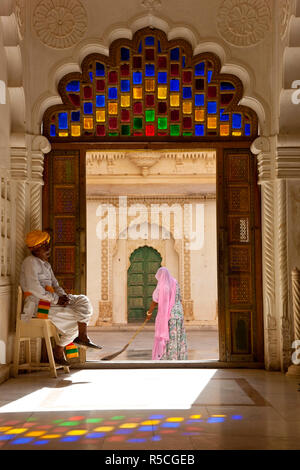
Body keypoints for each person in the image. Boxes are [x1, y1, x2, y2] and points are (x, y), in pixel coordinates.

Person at [20, 230, 102, 366]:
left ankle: (81, 336)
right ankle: (61, 348)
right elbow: (35, 288)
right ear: (34, 249)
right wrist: (56, 299)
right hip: (39, 306)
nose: (48, 248)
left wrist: (63, 297)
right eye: (44, 246)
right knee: (77, 319)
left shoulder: (46, 265)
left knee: (83, 301)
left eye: (47, 245)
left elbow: (55, 285)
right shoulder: (30, 263)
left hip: (53, 301)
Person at [146, 267, 188, 360]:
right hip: (179, 312)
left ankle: (168, 357)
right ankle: (178, 356)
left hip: (169, 315)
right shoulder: (175, 282)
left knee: (169, 335)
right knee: (178, 334)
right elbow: (179, 297)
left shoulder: (162, 286)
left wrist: (149, 313)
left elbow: (155, 301)